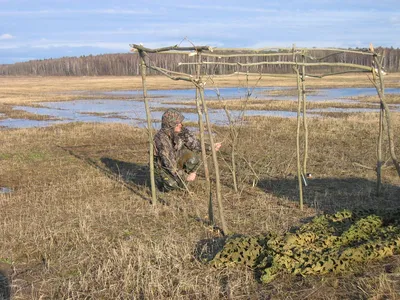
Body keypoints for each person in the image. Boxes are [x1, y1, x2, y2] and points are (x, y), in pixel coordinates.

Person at [153, 108, 221, 191]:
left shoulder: (181, 131)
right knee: (172, 185)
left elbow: (194, 143)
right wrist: (185, 177)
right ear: (171, 124)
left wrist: (211, 147)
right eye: (178, 123)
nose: (181, 125)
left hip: (175, 159)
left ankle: (181, 180)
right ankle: (160, 183)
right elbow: (169, 164)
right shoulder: (161, 139)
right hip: (162, 166)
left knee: (193, 159)